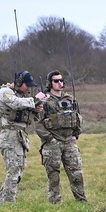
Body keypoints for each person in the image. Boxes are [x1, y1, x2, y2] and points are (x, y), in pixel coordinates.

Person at [35, 70, 87, 203]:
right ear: (50, 83)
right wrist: (49, 139)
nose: (60, 83)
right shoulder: (44, 101)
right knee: (53, 175)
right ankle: (55, 202)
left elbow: (78, 118)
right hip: (53, 142)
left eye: (61, 80)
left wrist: (76, 134)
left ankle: (81, 200)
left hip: (70, 141)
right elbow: (38, 124)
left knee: (76, 173)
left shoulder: (70, 99)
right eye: (56, 81)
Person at [0, 70, 44, 206]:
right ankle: (8, 204)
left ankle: (4, 203)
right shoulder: (5, 92)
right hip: (10, 135)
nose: (29, 88)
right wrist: (35, 100)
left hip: (20, 135)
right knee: (13, 170)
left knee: (18, 169)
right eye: (27, 85)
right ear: (19, 82)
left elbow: (25, 115)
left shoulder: (21, 96)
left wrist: (34, 110)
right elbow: (16, 103)